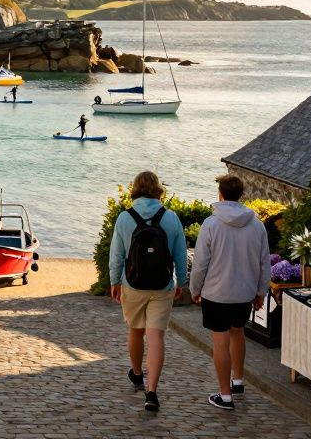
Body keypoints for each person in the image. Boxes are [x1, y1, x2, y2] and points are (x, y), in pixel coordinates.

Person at [188, 174, 271, 411]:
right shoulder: (257, 225)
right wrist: (261, 291)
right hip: (244, 293)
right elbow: (264, 262)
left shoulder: (211, 224)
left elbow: (201, 262)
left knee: (221, 341)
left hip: (216, 293)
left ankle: (225, 396)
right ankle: (238, 380)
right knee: (238, 333)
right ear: (240, 195)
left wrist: (195, 289)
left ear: (220, 195)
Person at [108, 171, 187, 412]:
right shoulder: (171, 217)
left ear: (135, 189)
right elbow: (180, 254)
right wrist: (181, 282)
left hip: (133, 284)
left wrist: (114, 281)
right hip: (162, 285)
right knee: (156, 337)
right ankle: (152, 392)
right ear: (157, 190)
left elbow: (117, 255)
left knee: (135, 330)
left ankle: (137, 373)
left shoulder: (124, 217)